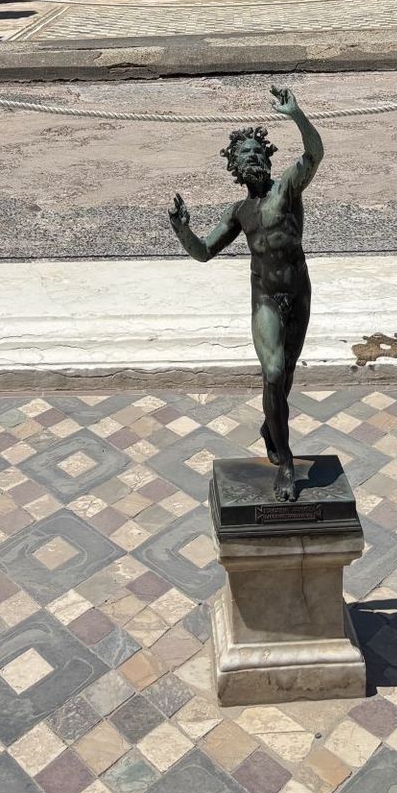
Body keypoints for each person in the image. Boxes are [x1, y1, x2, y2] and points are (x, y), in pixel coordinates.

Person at [167, 86, 323, 501]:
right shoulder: (240, 212)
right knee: (272, 373)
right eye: (244, 155)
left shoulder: (286, 190)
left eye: (257, 152)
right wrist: (182, 230)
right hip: (266, 299)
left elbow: (313, 155)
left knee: (285, 376)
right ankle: (285, 462)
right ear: (234, 166)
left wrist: (297, 115)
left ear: (268, 158)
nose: (252, 158)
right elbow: (204, 252)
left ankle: (270, 426)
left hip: (298, 292)